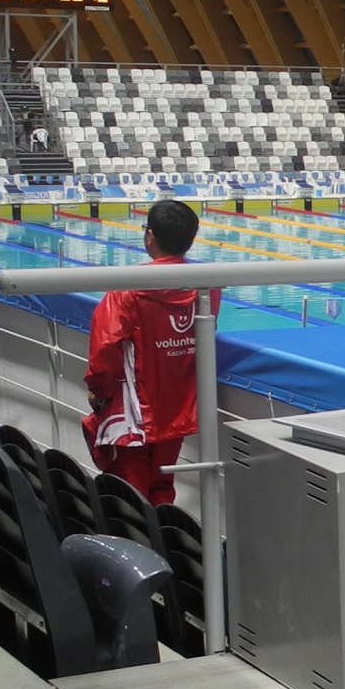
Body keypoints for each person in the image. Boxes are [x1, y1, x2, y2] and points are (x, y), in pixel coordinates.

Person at [83, 198, 200, 504]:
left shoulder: (127, 288)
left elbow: (105, 345)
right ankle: (164, 534)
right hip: (177, 407)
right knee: (162, 486)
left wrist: (98, 390)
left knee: (129, 495)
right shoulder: (206, 287)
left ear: (150, 236)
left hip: (132, 411)